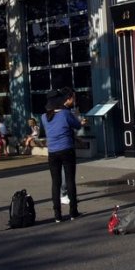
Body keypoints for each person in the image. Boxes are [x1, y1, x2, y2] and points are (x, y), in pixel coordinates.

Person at [42, 87, 86, 222]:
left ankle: (57, 215)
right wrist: (82, 122)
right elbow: (77, 126)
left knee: (55, 183)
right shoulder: (65, 114)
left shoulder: (44, 117)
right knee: (70, 180)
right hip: (67, 149)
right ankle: (73, 212)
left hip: (52, 152)